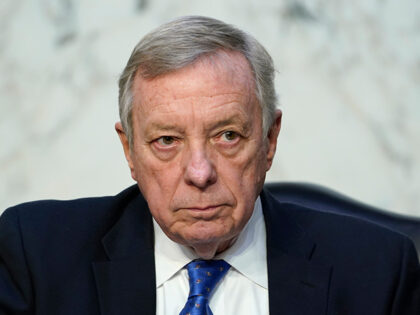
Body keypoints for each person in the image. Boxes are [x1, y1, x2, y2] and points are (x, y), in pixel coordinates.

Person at [0, 16, 418, 315]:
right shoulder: (37, 256)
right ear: (129, 150)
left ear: (269, 140)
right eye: (167, 140)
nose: (200, 173)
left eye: (227, 136)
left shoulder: (378, 270)